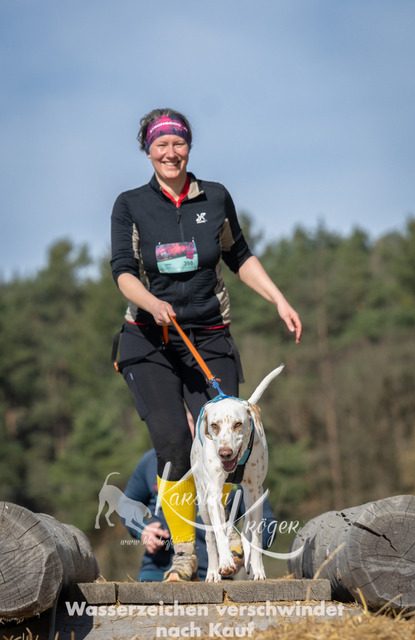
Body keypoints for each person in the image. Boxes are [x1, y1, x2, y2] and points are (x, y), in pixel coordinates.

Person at [110, 107, 302, 582]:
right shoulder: (131, 204)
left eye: (178, 143)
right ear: (148, 151)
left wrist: (278, 298)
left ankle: (231, 538)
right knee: (175, 443)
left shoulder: (215, 197)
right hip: (149, 339)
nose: (170, 152)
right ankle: (184, 554)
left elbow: (240, 254)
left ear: (189, 147)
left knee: (229, 438)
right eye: (161, 144)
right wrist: (151, 303)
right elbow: (124, 272)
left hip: (209, 337)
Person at [122, 448, 278, 581]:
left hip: (217, 577)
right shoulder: (154, 459)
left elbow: (266, 521)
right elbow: (127, 503)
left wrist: (244, 552)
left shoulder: (235, 463)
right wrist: (142, 529)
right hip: (158, 571)